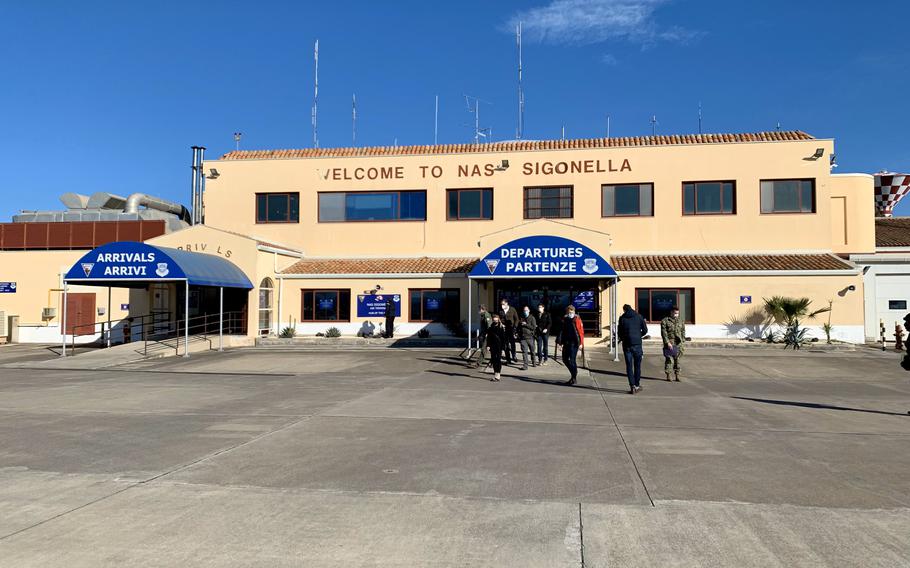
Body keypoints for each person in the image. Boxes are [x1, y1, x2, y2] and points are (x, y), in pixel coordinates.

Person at [618, 304, 648, 394]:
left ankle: (632, 386)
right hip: (637, 344)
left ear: (624, 310)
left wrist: (624, 338)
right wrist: (639, 336)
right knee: (637, 365)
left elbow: (620, 332)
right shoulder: (639, 316)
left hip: (627, 345)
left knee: (629, 366)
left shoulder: (622, 318)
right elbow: (645, 330)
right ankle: (637, 385)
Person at [556, 305, 584, 385]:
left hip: (574, 343)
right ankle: (574, 372)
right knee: (565, 359)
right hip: (566, 342)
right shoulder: (565, 319)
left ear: (574, 312)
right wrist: (559, 343)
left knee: (572, 360)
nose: (570, 313)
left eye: (571, 311)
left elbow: (581, 332)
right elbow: (561, 331)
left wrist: (581, 343)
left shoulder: (577, 319)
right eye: (568, 311)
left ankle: (573, 377)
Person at [660, 306, 686, 381]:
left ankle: (677, 375)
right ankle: (668, 375)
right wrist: (667, 342)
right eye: (675, 313)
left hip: (678, 343)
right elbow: (664, 333)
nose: (676, 315)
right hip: (670, 343)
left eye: (677, 313)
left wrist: (683, 339)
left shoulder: (680, 321)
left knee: (677, 359)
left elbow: (683, 331)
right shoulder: (665, 321)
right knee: (669, 359)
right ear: (671, 312)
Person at [485, 313, 506, 382]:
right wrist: (488, 345)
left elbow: (503, 338)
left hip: (499, 346)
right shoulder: (491, 327)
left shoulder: (501, 327)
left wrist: (503, 348)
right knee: (494, 360)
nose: (495, 322)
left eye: (496, 321)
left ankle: (498, 375)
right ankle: (495, 373)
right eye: (494, 321)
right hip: (493, 346)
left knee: (498, 360)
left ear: (498, 320)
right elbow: (489, 337)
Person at [498, 298, 519, 364]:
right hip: (504, 330)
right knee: (506, 345)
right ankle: (508, 359)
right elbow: (499, 319)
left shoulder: (512, 309)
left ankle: (514, 356)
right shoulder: (501, 311)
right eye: (501, 304)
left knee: (512, 343)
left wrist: (515, 328)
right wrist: (501, 324)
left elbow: (517, 319)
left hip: (511, 329)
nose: (502, 306)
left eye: (503, 304)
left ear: (507, 303)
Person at [517, 306, 537, 370]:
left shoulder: (532, 318)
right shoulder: (521, 318)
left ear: (529, 310)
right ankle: (525, 365)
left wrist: (526, 324)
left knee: (532, 351)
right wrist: (518, 333)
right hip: (523, 338)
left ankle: (534, 362)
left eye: (526, 310)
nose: (525, 311)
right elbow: (519, 327)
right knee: (524, 352)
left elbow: (533, 327)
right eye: (524, 310)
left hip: (530, 337)